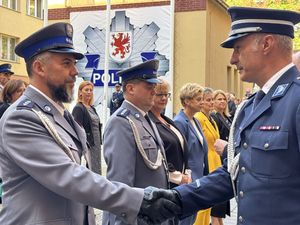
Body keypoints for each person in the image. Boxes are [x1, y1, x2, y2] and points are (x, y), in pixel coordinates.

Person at [0, 22, 180, 225]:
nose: (75, 72)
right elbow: (69, 176)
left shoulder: (59, 115)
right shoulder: (22, 118)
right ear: (39, 67)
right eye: (66, 63)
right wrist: (139, 200)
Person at [144, 7, 300, 225]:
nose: (233, 59)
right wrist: (178, 199)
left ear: (266, 44)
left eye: (238, 48)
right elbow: (234, 174)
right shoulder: (250, 107)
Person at [102, 59, 172, 225]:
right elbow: (120, 185)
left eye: (154, 87)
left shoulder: (144, 117)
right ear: (130, 89)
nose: (154, 92)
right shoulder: (121, 122)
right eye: (149, 87)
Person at [173, 83, 209, 225]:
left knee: (192, 218)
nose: (202, 102)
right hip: (188, 180)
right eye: (198, 99)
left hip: (198, 177)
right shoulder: (180, 122)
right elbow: (180, 155)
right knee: (186, 219)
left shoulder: (195, 120)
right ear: (187, 101)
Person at [194, 88, 229, 225]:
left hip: (216, 160)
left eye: (210, 100)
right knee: (204, 206)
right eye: (207, 100)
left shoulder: (211, 119)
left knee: (212, 206)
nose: (210, 103)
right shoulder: (199, 118)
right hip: (206, 160)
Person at [148, 78, 191, 188]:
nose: (164, 98)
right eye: (160, 94)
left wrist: (187, 173)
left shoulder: (167, 120)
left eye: (166, 94)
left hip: (181, 182)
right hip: (166, 183)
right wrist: (178, 177)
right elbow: (156, 157)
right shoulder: (148, 122)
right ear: (151, 95)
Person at [72, 81, 102, 175]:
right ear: (80, 92)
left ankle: (97, 187)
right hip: (88, 143)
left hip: (96, 142)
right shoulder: (78, 108)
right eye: (86, 90)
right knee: (91, 168)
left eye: (91, 90)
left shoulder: (92, 108)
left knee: (96, 166)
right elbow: (76, 128)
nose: (89, 92)